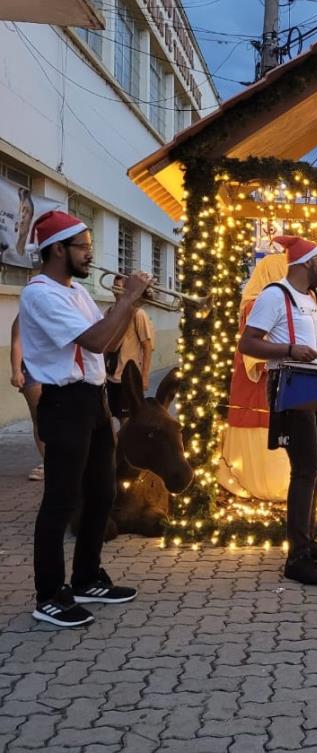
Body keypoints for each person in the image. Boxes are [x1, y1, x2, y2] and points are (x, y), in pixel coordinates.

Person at [19, 210, 151, 627]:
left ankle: (86, 577)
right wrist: (127, 298)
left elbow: (106, 343)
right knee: (60, 500)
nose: (90, 256)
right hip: (63, 402)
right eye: (83, 248)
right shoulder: (40, 294)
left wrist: (128, 306)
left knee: (102, 492)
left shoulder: (74, 291)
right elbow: (93, 339)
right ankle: (49, 594)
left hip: (92, 399)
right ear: (57, 250)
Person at [239, 235, 317, 586]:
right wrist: (290, 348)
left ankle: (308, 538)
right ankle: (297, 557)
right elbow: (248, 343)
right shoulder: (274, 295)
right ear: (306, 264)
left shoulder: (315, 297)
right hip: (292, 388)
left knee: (316, 467)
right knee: (304, 470)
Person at [217, 253, 292, 500]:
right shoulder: (257, 303)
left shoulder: (265, 300)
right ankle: (268, 484)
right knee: (262, 423)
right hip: (260, 380)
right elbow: (256, 347)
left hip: (273, 376)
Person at [105, 274, 155, 422]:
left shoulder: (138, 313)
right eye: (115, 287)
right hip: (111, 376)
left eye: (119, 287)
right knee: (114, 417)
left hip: (129, 377)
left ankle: (127, 445)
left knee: (127, 420)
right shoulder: (109, 312)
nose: (116, 290)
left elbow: (147, 347)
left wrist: (144, 376)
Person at [10, 315, 44, 481]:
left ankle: (64, 459)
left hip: (60, 369)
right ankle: (47, 462)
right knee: (40, 416)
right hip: (33, 371)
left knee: (61, 417)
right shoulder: (26, 312)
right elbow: (17, 342)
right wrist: (16, 370)